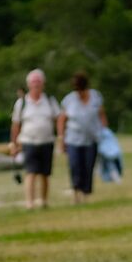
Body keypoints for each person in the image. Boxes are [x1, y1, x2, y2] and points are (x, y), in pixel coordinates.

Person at [10, 69, 60, 209]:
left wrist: (61, 136)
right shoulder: (21, 103)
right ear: (29, 85)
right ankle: (29, 202)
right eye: (34, 83)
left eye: (39, 82)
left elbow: (58, 119)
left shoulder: (49, 101)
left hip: (47, 141)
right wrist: (14, 144)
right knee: (30, 172)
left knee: (45, 173)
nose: (36, 85)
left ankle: (43, 200)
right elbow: (15, 125)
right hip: (28, 141)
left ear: (43, 84)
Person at [58, 71, 107, 204]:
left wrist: (105, 132)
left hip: (92, 139)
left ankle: (86, 194)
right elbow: (61, 119)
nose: (79, 93)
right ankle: (76, 193)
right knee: (75, 166)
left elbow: (102, 114)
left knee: (88, 166)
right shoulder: (69, 99)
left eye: (82, 90)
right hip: (73, 139)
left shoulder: (96, 97)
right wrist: (61, 138)